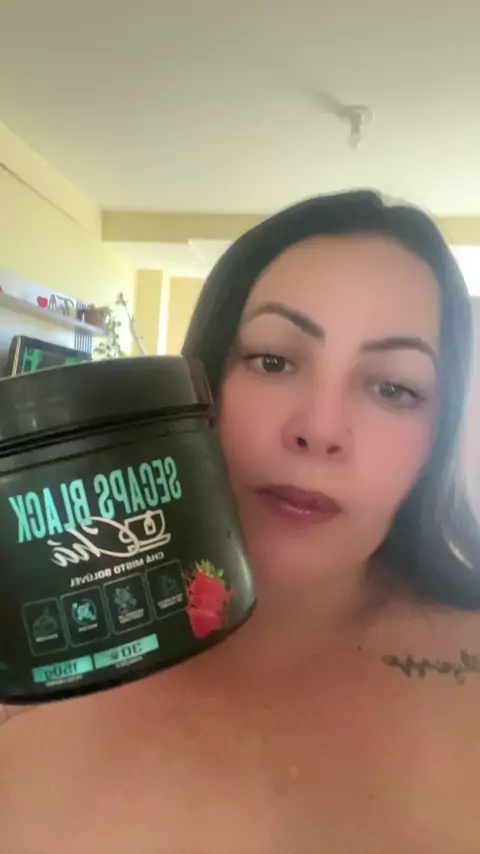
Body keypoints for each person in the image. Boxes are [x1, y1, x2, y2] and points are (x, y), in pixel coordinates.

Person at [2, 190, 480, 853]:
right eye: (273, 360)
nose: (319, 429)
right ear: (201, 390)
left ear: (438, 438)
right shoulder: (47, 657)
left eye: (393, 387)